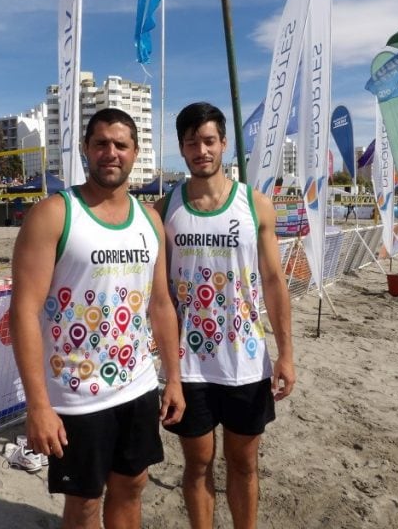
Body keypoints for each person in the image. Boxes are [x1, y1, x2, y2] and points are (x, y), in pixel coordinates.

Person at [9, 108, 185, 529]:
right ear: (87, 149)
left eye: (121, 145)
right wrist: (37, 405)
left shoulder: (150, 220)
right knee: (85, 504)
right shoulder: (53, 213)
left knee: (132, 487)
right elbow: (23, 312)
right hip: (76, 396)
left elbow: (160, 303)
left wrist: (174, 379)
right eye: (101, 143)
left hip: (138, 386)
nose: (111, 153)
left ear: (135, 153)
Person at [155, 102, 295, 529]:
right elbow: (157, 293)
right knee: (197, 465)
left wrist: (286, 353)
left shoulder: (255, 206)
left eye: (209, 140)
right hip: (189, 365)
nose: (202, 150)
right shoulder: (164, 210)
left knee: (244, 463)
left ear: (224, 144)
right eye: (192, 142)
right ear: (182, 148)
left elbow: (273, 281)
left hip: (246, 361)